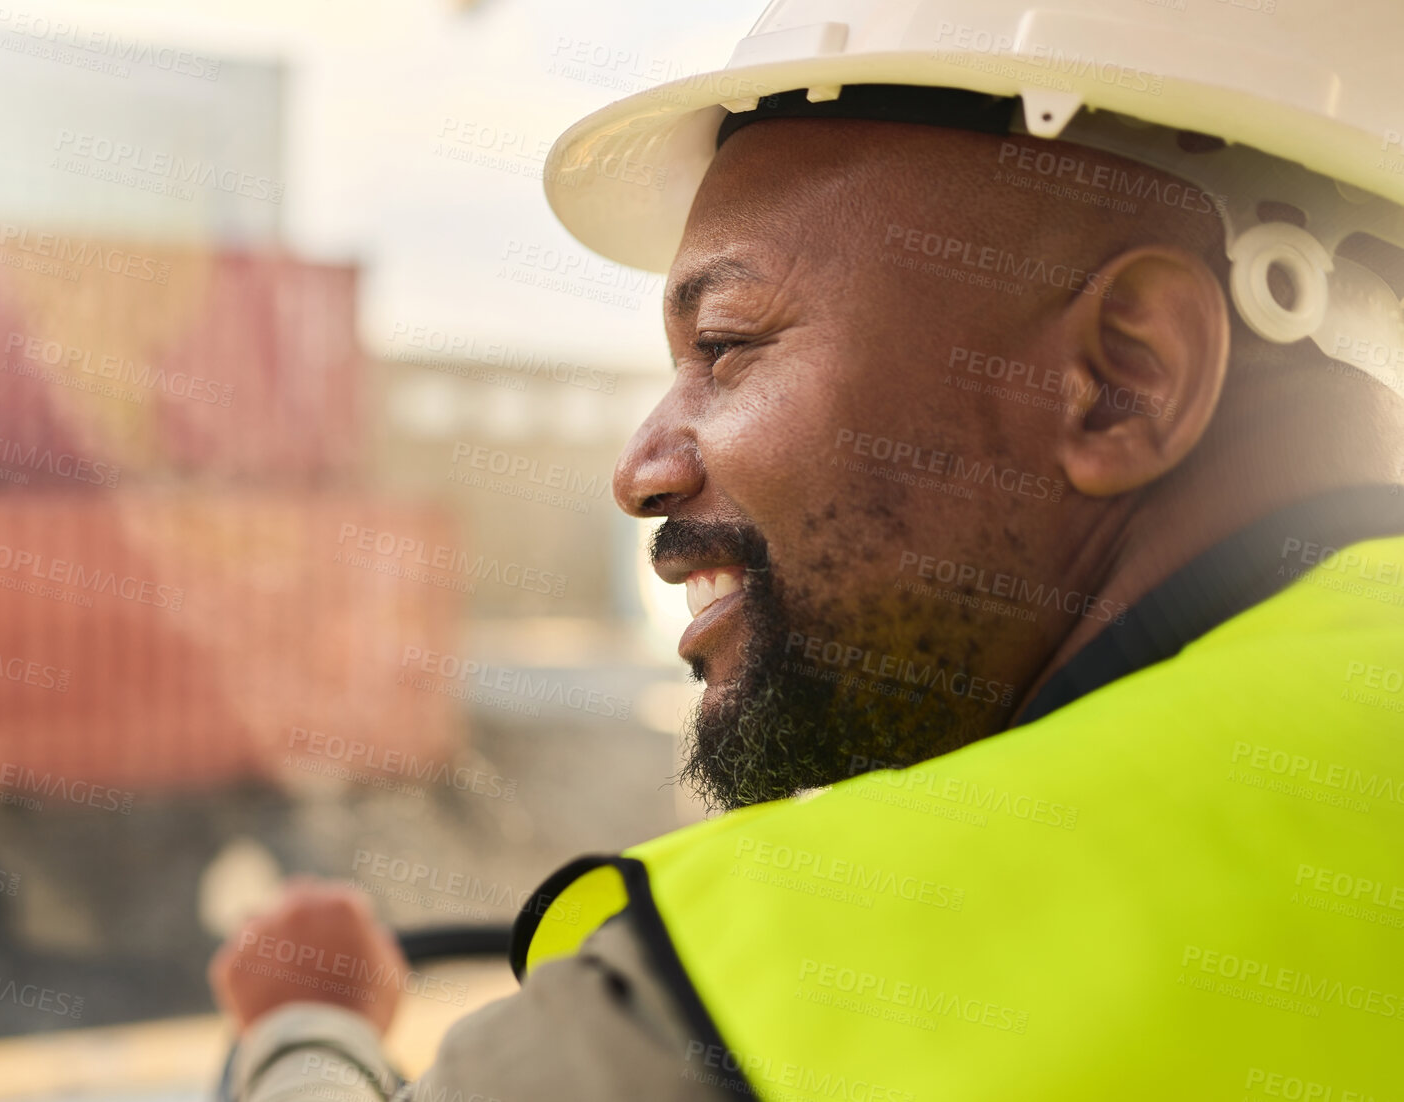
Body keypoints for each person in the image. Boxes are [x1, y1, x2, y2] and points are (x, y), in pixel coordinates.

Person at [211, 1, 1404, 1097]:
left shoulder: (759, 996)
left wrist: (306, 1025)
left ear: (1122, 379)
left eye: (726, 342)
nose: (642, 469)